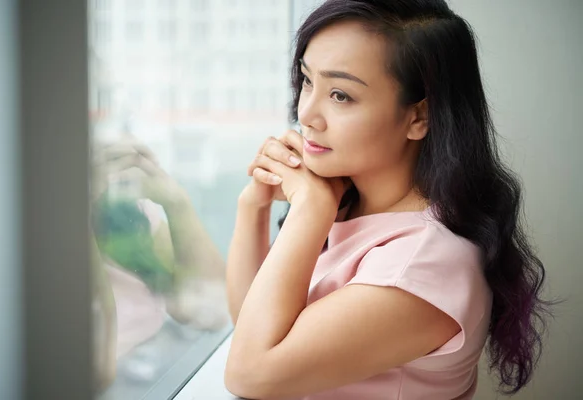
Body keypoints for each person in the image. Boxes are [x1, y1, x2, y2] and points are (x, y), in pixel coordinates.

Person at [224, 1, 553, 399]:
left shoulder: (424, 264)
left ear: (419, 116)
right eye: (308, 80)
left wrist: (309, 210)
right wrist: (254, 205)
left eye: (341, 95)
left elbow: (250, 374)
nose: (307, 113)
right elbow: (252, 326)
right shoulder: (350, 201)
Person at [90, 139, 229, 391]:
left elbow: (211, 310)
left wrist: (175, 201)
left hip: (162, 371)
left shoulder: (125, 213)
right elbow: (97, 373)